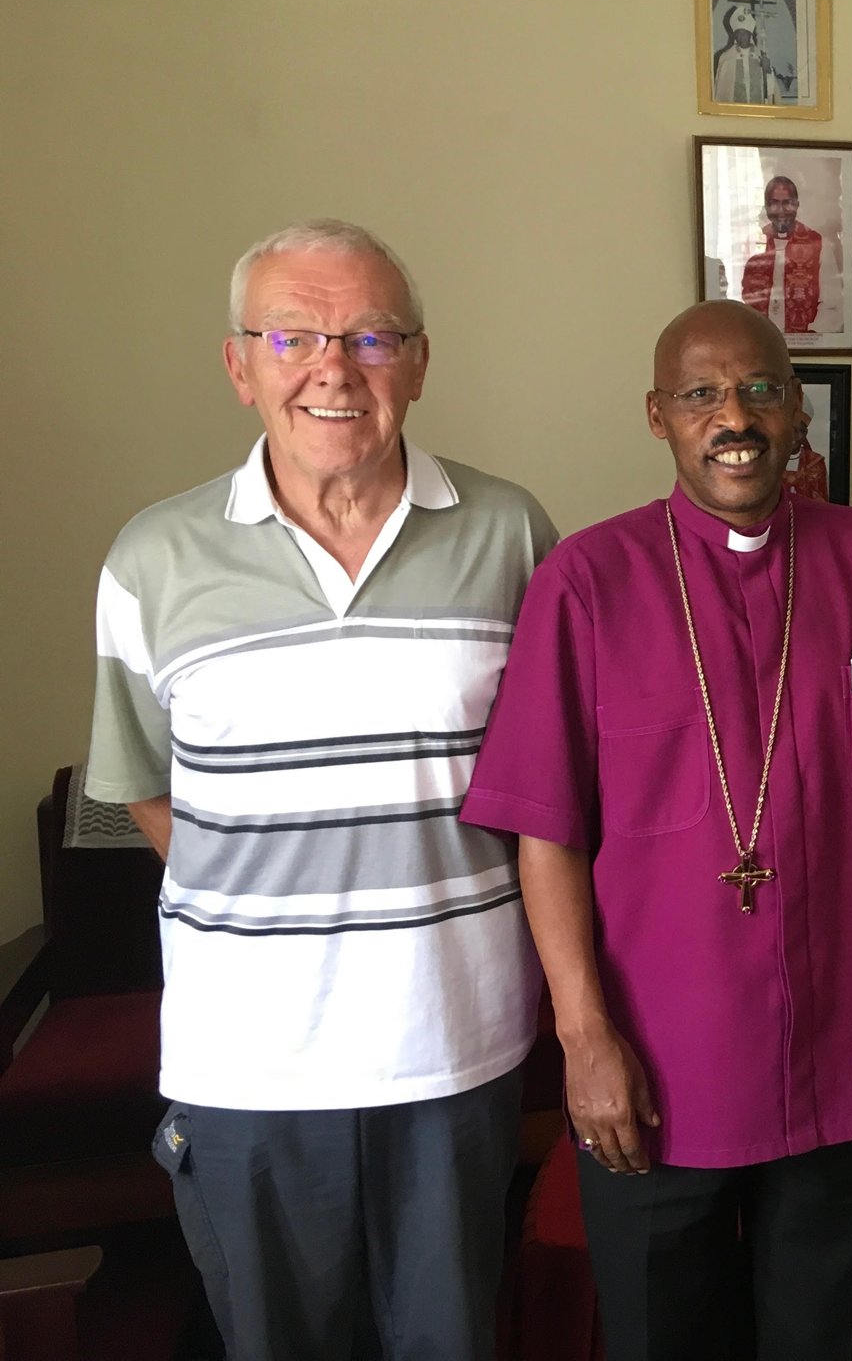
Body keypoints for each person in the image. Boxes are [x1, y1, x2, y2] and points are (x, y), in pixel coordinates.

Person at [85, 218, 557, 1360]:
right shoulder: (149, 560)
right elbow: (149, 792)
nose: (334, 368)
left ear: (421, 360)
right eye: (292, 335)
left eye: (372, 337)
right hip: (248, 1063)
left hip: (455, 1049)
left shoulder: (513, 534)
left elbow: (547, 783)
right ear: (239, 364)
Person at [459, 300, 852, 1361]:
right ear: (657, 416)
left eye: (759, 388)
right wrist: (582, 1041)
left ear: (798, 409)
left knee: (828, 1338)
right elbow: (545, 831)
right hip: (660, 1062)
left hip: (842, 1048)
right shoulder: (585, 580)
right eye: (702, 394)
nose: (734, 416)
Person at [740, 175, 842, 337]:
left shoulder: (817, 244)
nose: (781, 211)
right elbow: (743, 301)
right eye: (774, 203)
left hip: (807, 343)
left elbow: (833, 304)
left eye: (787, 203)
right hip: (761, 344)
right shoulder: (754, 243)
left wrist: (811, 337)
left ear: (797, 205)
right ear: (766, 207)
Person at [712, 0, 785, 106]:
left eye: (745, 33)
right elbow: (722, 92)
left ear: (750, 34)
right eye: (739, 34)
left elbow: (770, 91)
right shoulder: (726, 58)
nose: (742, 37)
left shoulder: (760, 56)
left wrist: (768, 70)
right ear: (735, 36)